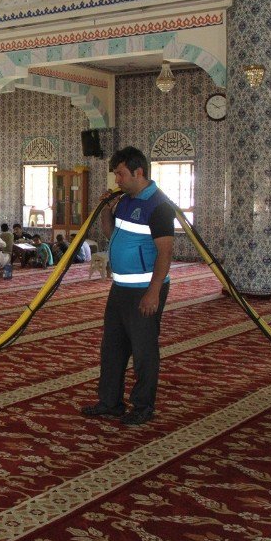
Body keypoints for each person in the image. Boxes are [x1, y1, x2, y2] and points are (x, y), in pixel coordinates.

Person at [82, 146, 175, 427]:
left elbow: (165, 252)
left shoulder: (158, 205)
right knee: (113, 347)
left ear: (139, 172)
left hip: (144, 290)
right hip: (120, 287)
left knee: (144, 351)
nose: (117, 180)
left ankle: (143, 406)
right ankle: (110, 402)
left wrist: (154, 291)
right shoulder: (124, 200)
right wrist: (106, 212)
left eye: (120, 174)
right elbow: (114, 236)